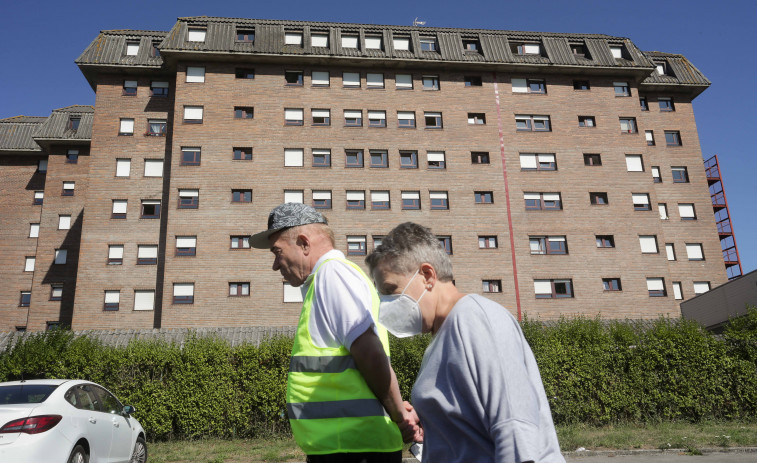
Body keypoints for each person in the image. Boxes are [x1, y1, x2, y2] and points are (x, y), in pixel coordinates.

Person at [365, 222, 566, 463]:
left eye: (390, 290)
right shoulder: (441, 337)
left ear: (427, 275)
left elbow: (515, 430)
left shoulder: (474, 319)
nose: (386, 303)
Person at [250, 203, 417, 463]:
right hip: (348, 446)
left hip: (353, 448)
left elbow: (370, 353)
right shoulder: (327, 279)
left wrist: (399, 415)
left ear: (304, 243)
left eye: (277, 252)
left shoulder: (333, 275)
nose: (275, 265)